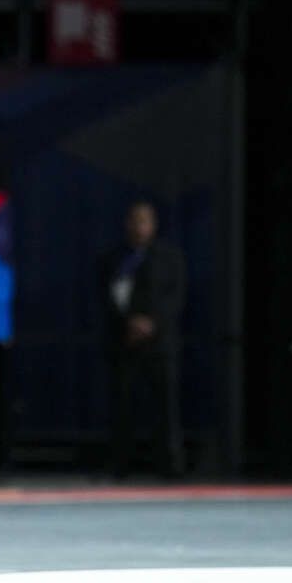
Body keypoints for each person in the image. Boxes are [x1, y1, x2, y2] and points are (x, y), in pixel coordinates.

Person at [100, 201, 186, 477]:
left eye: (144, 221)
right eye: (134, 221)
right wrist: (129, 323)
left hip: (159, 345)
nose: (139, 227)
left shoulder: (169, 259)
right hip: (125, 343)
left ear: (153, 225)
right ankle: (120, 466)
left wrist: (153, 324)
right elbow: (106, 297)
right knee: (123, 406)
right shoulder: (114, 259)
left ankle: (170, 467)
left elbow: (175, 298)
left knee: (165, 409)